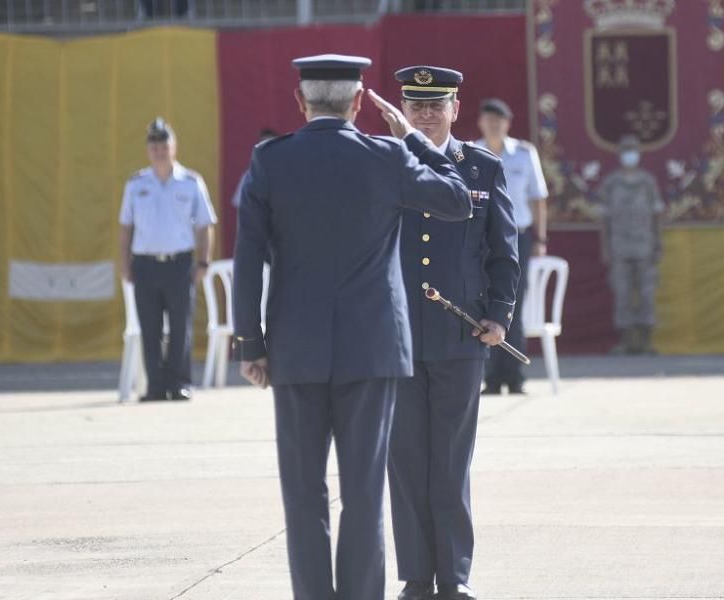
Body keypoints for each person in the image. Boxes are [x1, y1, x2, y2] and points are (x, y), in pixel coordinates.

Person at [232, 54, 472, 600]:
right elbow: (457, 200)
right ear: (360, 102)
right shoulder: (386, 155)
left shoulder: (271, 160)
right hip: (374, 349)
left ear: (301, 101)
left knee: (303, 493)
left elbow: (247, 257)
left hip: (295, 349)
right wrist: (411, 136)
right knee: (364, 492)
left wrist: (252, 341)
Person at [388, 68, 518, 600]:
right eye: (415, 105)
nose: (425, 114)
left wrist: (499, 315)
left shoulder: (482, 168)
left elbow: (504, 253)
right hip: (394, 336)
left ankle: (454, 578)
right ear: (402, 106)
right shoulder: (385, 162)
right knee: (406, 460)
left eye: (435, 104)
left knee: (451, 460)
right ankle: (417, 577)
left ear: (455, 108)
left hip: (460, 335)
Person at [118, 118, 217, 402]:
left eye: (164, 146)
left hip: (179, 264)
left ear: (174, 148)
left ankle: (180, 383)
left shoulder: (191, 182)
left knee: (180, 327)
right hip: (145, 264)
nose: (160, 151)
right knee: (150, 328)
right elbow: (126, 227)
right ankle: (155, 387)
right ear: (148, 150)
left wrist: (203, 262)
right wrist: (124, 264)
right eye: (154, 146)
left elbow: (204, 224)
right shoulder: (137, 184)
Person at [477, 97, 549, 395]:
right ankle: (491, 378)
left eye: (499, 120)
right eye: (489, 120)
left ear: (507, 123)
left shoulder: (523, 153)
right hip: (480, 239)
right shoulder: (470, 152)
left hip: (517, 236)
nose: (494, 125)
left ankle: (515, 376)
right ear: (481, 123)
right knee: (484, 304)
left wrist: (541, 238)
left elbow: (538, 197)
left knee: (512, 306)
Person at [596, 134, 664, 354]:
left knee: (646, 293)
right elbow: (604, 220)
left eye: (633, 149)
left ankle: (645, 342)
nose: (629, 154)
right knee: (622, 294)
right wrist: (605, 247)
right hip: (619, 247)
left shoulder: (647, 182)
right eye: (626, 149)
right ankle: (626, 342)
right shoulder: (611, 183)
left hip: (645, 246)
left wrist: (658, 243)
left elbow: (656, 216)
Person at [231, 128, 280, 210]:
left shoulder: (287, 175)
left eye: (271, 145)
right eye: (263, 145)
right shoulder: (249, 176)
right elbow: (241, 207)